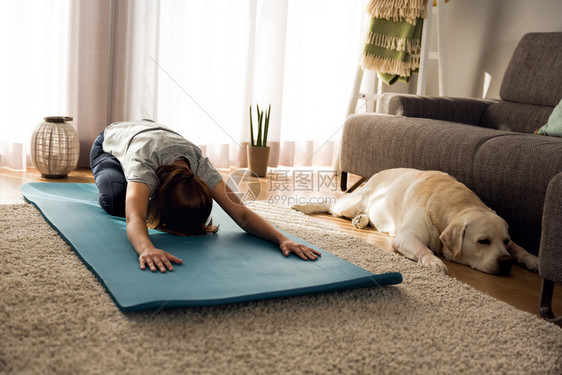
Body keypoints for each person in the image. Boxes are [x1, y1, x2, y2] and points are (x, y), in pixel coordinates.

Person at [90, 120, 320, 273]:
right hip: (110, 142)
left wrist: (283, 239)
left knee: (136, 196)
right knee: (116, 200)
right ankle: (122, 175)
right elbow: (135, 218)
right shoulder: (144, 166)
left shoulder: (200, 166)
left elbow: (241, 214)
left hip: (151, 133)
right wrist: (146, 248)